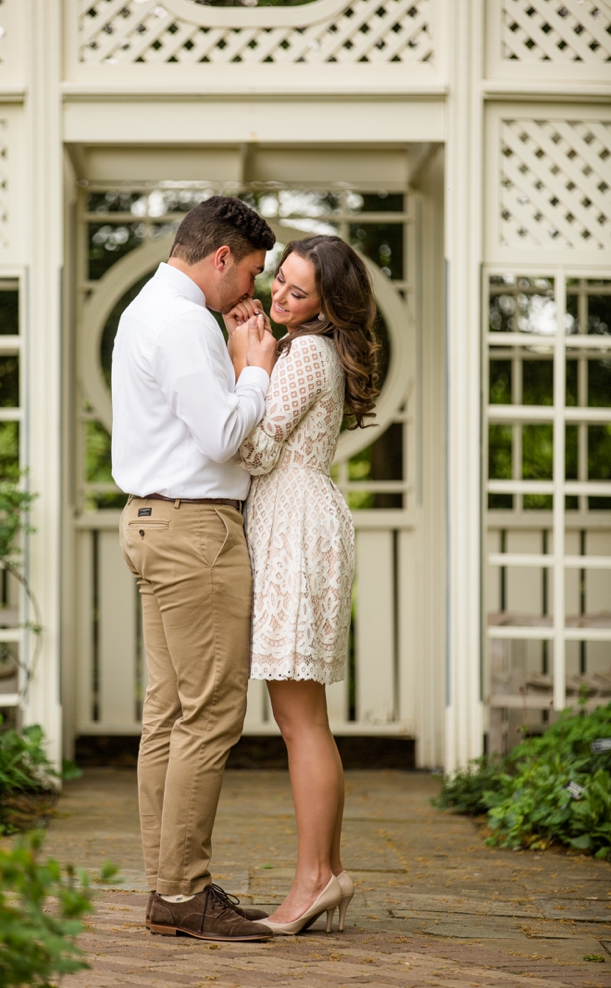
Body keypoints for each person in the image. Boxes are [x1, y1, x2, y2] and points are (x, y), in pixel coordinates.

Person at [110, 195, 278, 942]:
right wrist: (254, 370)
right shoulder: (184, 321)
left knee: (169, 714)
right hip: (193, 530)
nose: (253, 292)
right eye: (249, 273)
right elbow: (220, 436)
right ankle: (181, 889)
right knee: (209, 714)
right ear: (219, 258)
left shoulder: (146, 308)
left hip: (153, 521)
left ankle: (169, 884)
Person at [232, 235, 379, 935]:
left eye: (297, 290)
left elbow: (254, 448)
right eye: (279, 282)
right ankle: (327, 870)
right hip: (303, 519)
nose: (279, 297)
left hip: (295, 525)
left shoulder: (302, 355)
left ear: (328, 302)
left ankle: (314, 880)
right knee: (305, 717)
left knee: (299, 721)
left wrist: (245, 365)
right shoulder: (314, 350)